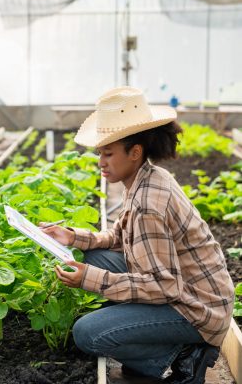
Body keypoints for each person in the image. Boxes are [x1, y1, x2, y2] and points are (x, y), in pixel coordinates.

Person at [41, 86, 234, 384]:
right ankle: (166, 351)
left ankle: (181, 358)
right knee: (94, 256)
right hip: (185, 289)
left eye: (108, 153)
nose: (100, 162)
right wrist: (71, 237)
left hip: (197, 308)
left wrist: (89, 279)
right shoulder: (145, 177)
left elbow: (164, 288)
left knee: (88, 333)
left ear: (135, 152)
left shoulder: (148, 203)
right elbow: (119, 237)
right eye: (99, 153)